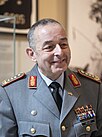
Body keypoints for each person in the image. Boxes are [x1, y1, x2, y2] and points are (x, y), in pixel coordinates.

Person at [0, 18, 102, 137]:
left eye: (63, 45)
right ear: (32, 54)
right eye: (49, 47)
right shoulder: (11, 93)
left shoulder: (93, 88)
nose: (60, 52)